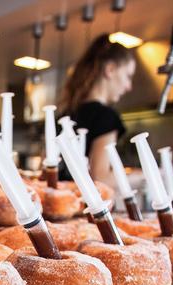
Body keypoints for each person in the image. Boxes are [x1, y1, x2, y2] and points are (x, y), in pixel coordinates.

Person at [58, 34, 135, 185]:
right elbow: (100, 178)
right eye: (128, 76)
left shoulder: (68, 113)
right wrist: (147, 176)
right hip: (84, 206)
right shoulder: (106, 117)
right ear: (110, 70)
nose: (128, 86)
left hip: (58, 203)